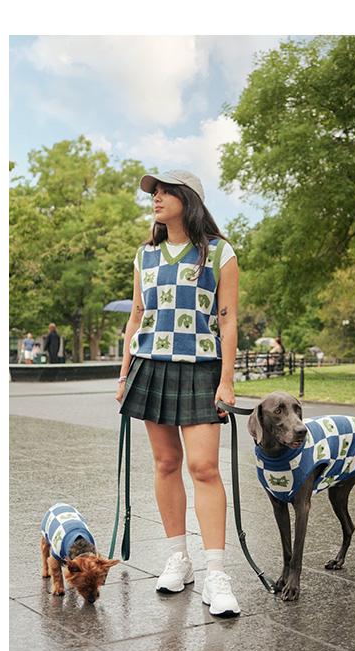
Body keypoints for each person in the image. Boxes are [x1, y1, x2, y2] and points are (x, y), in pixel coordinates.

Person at [115, 169, 241, 617]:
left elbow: (227, 320)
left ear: (188, 200)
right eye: (155, 193)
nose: (156, 199)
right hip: (150, 367)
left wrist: (227, 380)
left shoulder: (219, 253)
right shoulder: (144, 255)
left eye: (166, 192)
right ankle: (178, 558)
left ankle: (216, 572)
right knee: (166, 463)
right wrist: (124, 370)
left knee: (204, 467)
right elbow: (136, 317)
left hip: (201, 368)